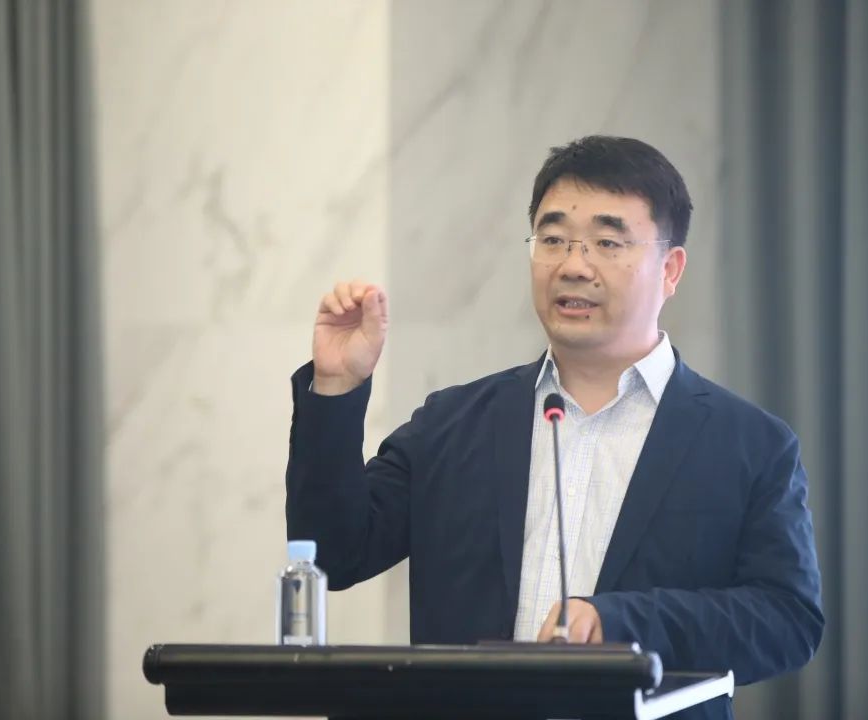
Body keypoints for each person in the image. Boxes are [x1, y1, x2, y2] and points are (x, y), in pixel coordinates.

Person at [285, 136, 823, 719]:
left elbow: (787, 620)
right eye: (553, 239)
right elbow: (332, 554)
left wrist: (621, 623)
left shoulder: (749, 445)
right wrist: (336, 387)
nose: (573, 265)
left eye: (607, 242)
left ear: (670, 270)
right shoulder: (453, 424)